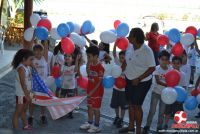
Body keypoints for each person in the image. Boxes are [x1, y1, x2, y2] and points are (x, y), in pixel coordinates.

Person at [119, 28, 156, 134]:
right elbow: (126, 60)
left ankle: (138, 130)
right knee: (130, 104)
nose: (128, 37)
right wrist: (120, 70)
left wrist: (139, 79)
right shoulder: (130, 46)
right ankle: (131, 127)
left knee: (137, 105)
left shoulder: (147, 50)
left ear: (135, 38)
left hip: (142, 82)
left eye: (130, 35)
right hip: (129, 79)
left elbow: (152, 68)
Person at [143, 50, 171, 133]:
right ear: (159, 59)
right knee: (152, 111)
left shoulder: (170, 69)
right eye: (162, 59)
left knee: (161, 112)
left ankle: (159, 126)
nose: (164, 61)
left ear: (168, 60)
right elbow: (158, 81)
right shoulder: (156, 68)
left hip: (165, 95)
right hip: (156, 93)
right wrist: (167, 85)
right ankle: (147, 125)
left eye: (166, 59)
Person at [80, 46, 105, 133]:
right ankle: (90, 122)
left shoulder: (100, 67)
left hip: (96, 92)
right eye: (87, 56)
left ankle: (97, 126)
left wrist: (92, 92)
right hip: (90, 90)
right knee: (89, 107)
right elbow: (88, 72)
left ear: (96, 56)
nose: (88, 58)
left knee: (96, 109)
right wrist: (88, 63)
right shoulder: (90, 64)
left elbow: (99, 83)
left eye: (89, 56)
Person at [12, 49, 34, 130]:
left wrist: (30, 94)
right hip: (21, 95)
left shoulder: (27, 67)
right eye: (31, 59)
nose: (32, 61)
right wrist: (28, 96)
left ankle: (25, 125)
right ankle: (16, 130)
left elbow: (29, 81)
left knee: (23, 111)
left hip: (26, 93)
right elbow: (23, 84)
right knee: (18, 112)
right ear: (24, 59)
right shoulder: (21, 69)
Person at [28, 41, 48, 126]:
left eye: (40, 50)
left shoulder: (44, 59)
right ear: (33, 52)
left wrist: (46, 39)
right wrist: (32, 38)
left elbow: (46, 48)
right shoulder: (32, 60)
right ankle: (31, 116)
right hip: (33, 85)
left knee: (43, 102)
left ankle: (42, 115)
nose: (38, 52)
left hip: (43, 85)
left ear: (43, 52)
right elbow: (28, 49)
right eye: (36, 50)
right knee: (32, 102)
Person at [164, 56, 187, 129]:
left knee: (178, 113)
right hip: (169, 96)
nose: (176, 65)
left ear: (181, 64)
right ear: (171, 64)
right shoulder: (169, 73)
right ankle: (165, 125)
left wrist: (182, 99)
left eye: (178, 63)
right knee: (167, 112)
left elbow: (184, 87)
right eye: (174, 63)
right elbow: (167, 84)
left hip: (178, 97)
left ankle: (177, 127)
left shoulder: (183, 74)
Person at [110, 43, 128, 128]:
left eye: (124, 58)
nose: (122, 59)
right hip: (116, 88)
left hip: (124, 91)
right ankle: (117, 116)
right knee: (115, 104)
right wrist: (116, 43)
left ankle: (121, 119)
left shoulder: (128, 66)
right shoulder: (117, 63)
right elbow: (113, 53)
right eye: (121, 57)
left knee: (123, 106)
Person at [60, 53, 81, 118]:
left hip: (71, 87)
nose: (67, 57)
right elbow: (60, 73)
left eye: (69, 56)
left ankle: (70, 113)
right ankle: (62, 112)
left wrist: (77, 60)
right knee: (62, 100)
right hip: (63, 86)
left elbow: (76, 69)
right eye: (65, 56)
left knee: (70, 100)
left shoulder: (74, 66)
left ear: (73, 59)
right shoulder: (63, 66)